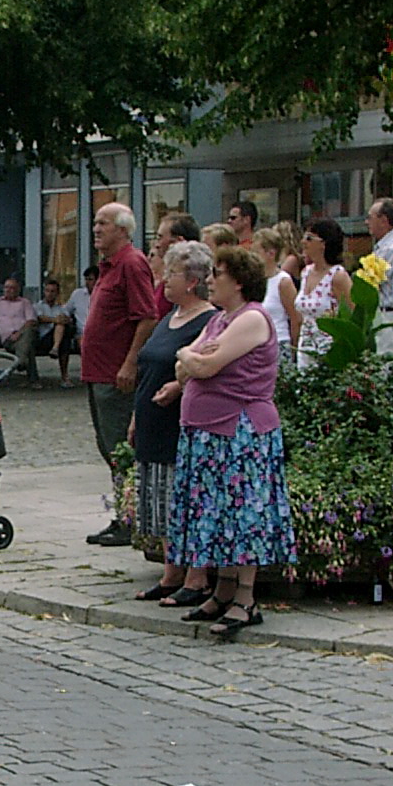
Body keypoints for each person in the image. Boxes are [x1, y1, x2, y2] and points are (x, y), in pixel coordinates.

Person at [168, 245, 296, 639]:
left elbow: (204, 365)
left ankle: (245, 598)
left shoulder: (252, 319)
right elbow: (184, 367)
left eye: (217, 274)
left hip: (240, 433)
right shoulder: (221, 320)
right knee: (216, 513)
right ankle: (222, 590)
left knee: (242, 514)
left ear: (238, 281)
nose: (210, 280)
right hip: (209, 432)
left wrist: (193, 357)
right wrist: (190, 354)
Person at [129, 241, 216, 604]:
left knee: (182, 501)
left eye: (172, 273)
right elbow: (150, 365)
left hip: (178, 425)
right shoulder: (170, 317)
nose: (163, 279)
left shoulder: (209, 320)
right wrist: (136, 416)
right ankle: (171, 572)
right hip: (151, 422)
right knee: (160, 502)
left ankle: (196, 579)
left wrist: (179, 386)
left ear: (193, 280)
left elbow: (204, 367)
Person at [82, 204, 157, 545]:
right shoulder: (108, 266)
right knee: (108, 447)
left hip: (116, 373)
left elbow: (146, 316)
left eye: (104, 223)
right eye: (96, 222)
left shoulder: (131, 263)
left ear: (123, 230)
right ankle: (123, 514)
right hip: (98, 372)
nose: (96, 228)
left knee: (120, 448)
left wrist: (130, 362)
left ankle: (130, 519)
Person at [294, 217, 352, 372]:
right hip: (305, 347)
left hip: (328, 348)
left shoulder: (338, 276)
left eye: (309, 238)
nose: (303, 242)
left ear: (323, 244)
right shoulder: (305, 273)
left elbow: (352, 314)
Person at [366, 197, 393, 354]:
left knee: (384, 363)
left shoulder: (392, 248)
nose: (366, 222)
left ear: (384, 220)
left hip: (387, 314)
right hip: (381, 313)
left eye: (370, 217)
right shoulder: (384, 246)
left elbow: (371, 280)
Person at [253, 227, 299, 356]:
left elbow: (295, 317)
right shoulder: (254, 280)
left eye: (257, 252)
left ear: (271, 253)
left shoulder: (283, 281)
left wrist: (294, 348)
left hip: (278, 342)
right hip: (255, 344)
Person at [32, 277, 75, 386]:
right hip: (43, 339)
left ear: (57, 293)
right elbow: (40, 318)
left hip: (59, 341)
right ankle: (64, 376)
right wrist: (55, 320)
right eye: (47, 291)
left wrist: (65, 320)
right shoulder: (37, 306)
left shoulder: (61, 308)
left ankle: (56, 350)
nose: (50, 294)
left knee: (65, 338)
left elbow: (67, 318)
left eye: (53, 291)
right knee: (60, 325)